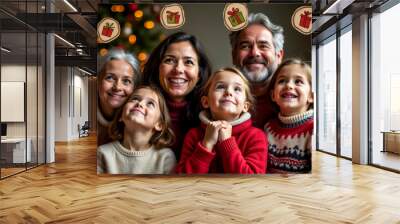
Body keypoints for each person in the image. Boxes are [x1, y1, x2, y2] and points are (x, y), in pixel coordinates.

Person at [175, 67, 267, 174]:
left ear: (245, 106)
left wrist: (227, 143)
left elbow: (252, 181)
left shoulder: (256, 136)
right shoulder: (193, 136)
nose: (228, 92)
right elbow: (182, 180)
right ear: (206, 102)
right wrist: (206, 145)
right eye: (220, 87)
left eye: (237, 89)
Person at [143, 32, 212, 159]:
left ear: (199, 74)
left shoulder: (210, 117)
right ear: (157, 67)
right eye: (169, 60)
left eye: (189, 62)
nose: (178, 69)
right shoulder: (139, 110)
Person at [97, 85, 176, 174]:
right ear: (120, 116)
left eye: (150, 103)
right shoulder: (103, 153)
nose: (140, 104)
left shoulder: (165, 157)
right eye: (135, 99)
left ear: (159, 124)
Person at [230, 13, 285, 129]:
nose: (254, 52)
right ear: (234, 56)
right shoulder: (221, 100)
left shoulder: (294, 101)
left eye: (263, 46)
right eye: (245, 46)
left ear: (279, 56)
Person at [264, 59, 313, 173]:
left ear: (311, 96)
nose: (289, 85)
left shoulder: (313, 129)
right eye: (282, 81)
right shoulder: (268, 128)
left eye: (298, 81)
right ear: (273, 95)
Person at [97, 48, 141, 146]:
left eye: (126, 81)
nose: (117, 87)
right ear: (98, 80)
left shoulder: (137, 118)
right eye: (110, 78)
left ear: (134, 88)